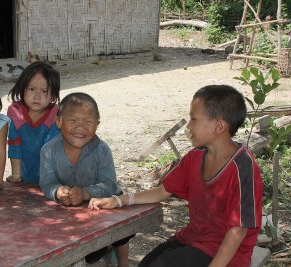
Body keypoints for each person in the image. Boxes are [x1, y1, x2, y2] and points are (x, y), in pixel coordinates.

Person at [89, 85, 263, 267]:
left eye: (194, 119)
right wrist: (119, 200)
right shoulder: (194, 158)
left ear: (219, 126)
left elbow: (238, 230)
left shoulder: (243, 167)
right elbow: (163, 191)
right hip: (194, 239)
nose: (188, 126)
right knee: (148, 263)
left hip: (227, 255)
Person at [39, 92, 132, 267]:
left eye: (88, 122)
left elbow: (110, 185)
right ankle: (102, 251)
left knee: (121, 233)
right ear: (59, 122)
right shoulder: (48, 151)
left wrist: (85, 193)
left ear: (97, 125)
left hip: (102, 208)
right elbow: (47, 182)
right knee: (83, 253)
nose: (80, 127)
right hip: (70, 214)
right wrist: (57, 191)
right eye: (73, 121)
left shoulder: (102, 150)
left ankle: (123, 262)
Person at [6, 61, 60, 184]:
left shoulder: (56, 114)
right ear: (22, 88)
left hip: (53, 178)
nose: (37, 96)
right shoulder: (15, 112)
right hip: (26, 178)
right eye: (31, 89)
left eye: (44, 91)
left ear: (53, 95)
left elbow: (51, 149)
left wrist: (50, 182)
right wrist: (16, 174)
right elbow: (15, 144)